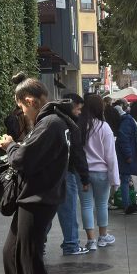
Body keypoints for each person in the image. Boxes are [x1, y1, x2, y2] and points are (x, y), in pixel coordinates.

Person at [0, 77, 69, 274]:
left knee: (29, 257)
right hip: (34, 197)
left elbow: (23, 158)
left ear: (30, 101)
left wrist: (10, 146)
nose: (22, 113)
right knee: (12, 252)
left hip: (39, 198)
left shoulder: (50, 123)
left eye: (22, 108)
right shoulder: (51, 122)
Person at [52, 93, 91, 255]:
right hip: (66, 172)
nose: (80, 112)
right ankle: (71, 244)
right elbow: (77, 153)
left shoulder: (52, 121)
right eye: (78, 109)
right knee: (68, 211)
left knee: (47, 211)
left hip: (50, 173)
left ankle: (37, 245)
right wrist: (84, 176)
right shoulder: (70, 125)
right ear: (70, 106)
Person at [79, 94, 119, 249]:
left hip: (82, 173)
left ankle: (91, 241)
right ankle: (103, 237)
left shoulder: (80, 126)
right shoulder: (104, 127)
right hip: (101, 172)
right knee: (102, 205)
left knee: (86, 205)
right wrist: (115, 179)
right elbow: (111, 156)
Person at [118, 101, 137, 214]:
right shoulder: (128, 121)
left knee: (128, 179)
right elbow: (123, 139)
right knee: (125, 179)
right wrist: (128, 155)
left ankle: (131, 203)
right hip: (128, 157)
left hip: (134, 156)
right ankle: (127, 206)